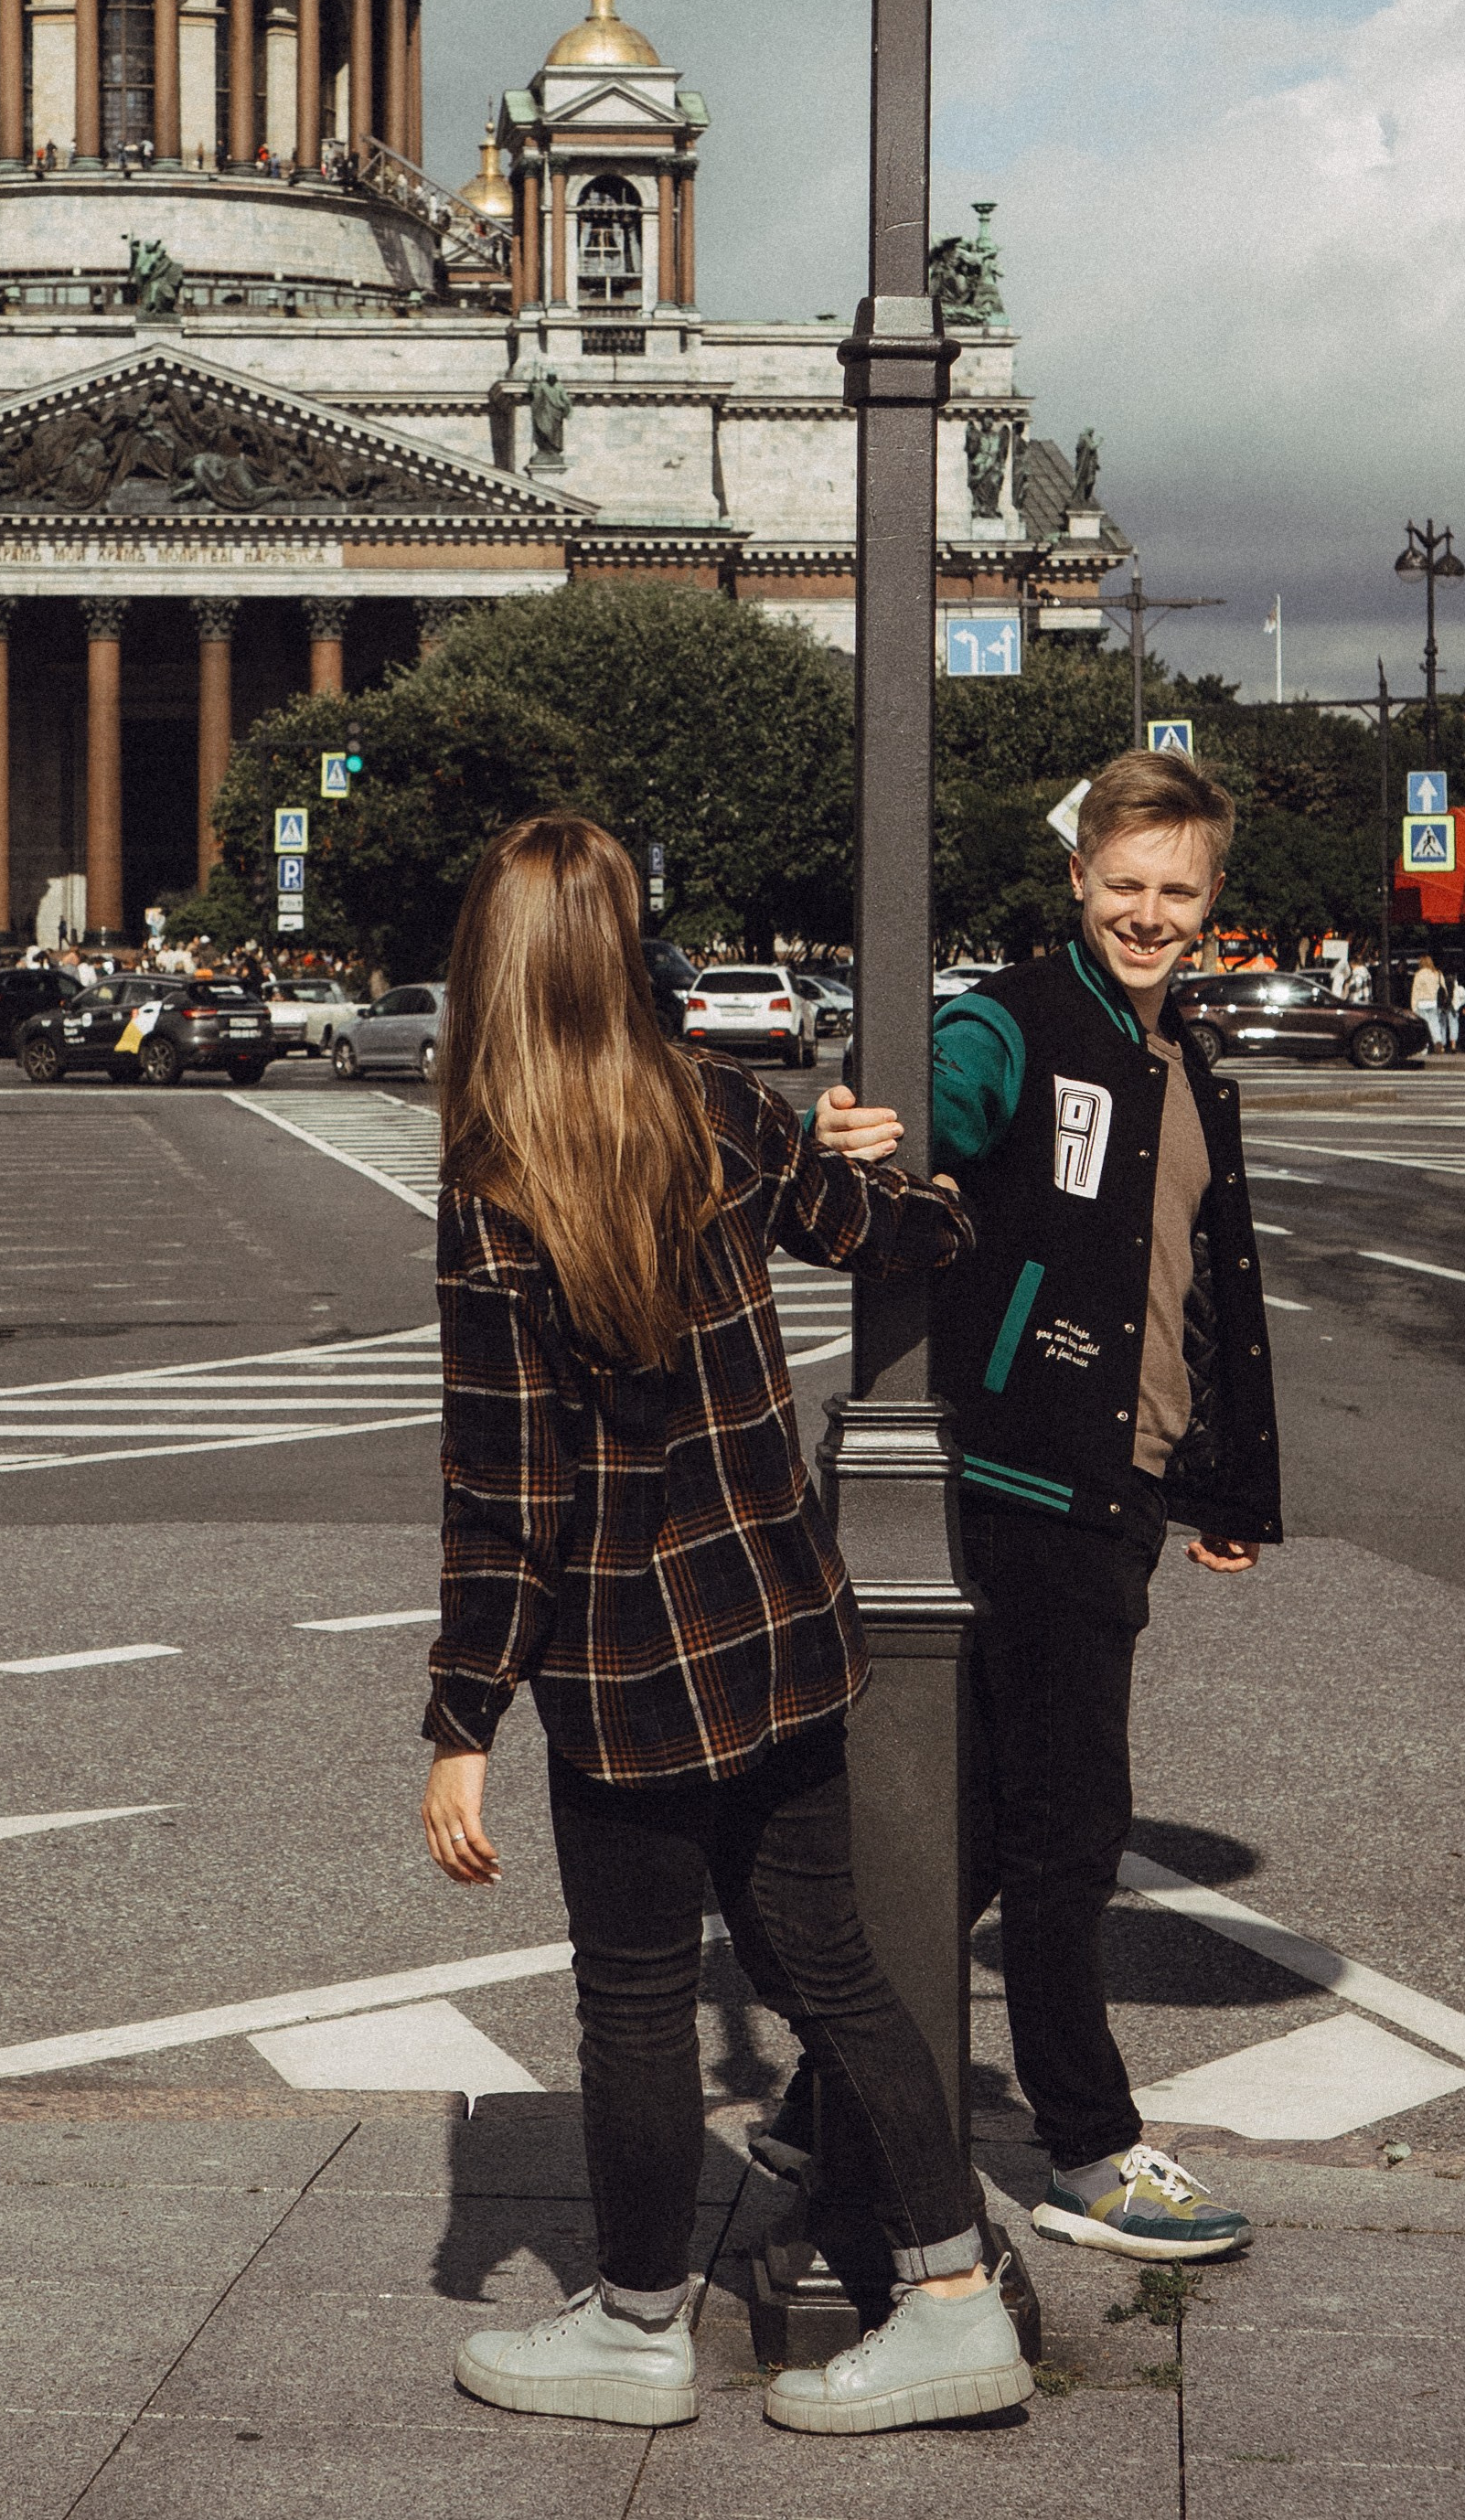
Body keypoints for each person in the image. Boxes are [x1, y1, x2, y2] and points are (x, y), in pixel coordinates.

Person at [422, 816, 1032, 2440]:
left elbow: (506, 1492)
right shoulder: (713, 1109)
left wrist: (458, 1718)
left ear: (490, 964)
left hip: (619, 1670)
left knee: (628, 1998)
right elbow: (902, 1234)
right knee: (832, 1969)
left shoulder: (494, 1183)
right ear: (627, 949)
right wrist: (874, 1163)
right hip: (773, 1626)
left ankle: (632, 2328)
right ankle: (955, 2295)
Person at [814, 748, 1278, 2267]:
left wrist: (1213, 1474)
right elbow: (928, 1104)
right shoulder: (1015, 1019)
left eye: (1176, 889)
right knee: (1066, 1821)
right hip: (1020, 1476)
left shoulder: (1176, 1048)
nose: (1148, 911)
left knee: (965, 1827)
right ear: (1076, 878)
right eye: (1124, 882)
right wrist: (863, 1127)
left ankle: (833, 2097)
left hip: (1115, 1476)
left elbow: (1195, 1282)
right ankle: (1086, 2143)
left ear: (1208, 901)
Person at [1410, 952, 1450, 1052]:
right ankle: (1438, 1042)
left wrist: (1413, 1006)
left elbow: (1415, 991)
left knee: (1424, 1026)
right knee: (1434, 1024)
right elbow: (1444, 989)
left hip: (1421, 1003)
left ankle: (1424, 1048)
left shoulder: (1418, 975)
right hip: (1433, 1002)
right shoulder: (1437, 974)